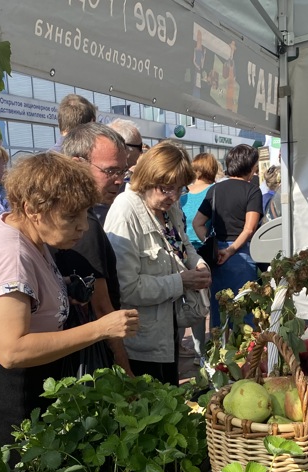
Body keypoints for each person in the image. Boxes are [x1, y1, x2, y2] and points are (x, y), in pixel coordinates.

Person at [0, 152, 139, 463]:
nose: (82, 228)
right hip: (0, 393)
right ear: (32, 209)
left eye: (84, 215)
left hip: (16, 383)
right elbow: (11, 350)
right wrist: (100, 328)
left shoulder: (24, 233)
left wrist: (62, 289)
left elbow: (26, 298)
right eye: (70, 217)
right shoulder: (11, 255)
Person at [104, 142, 212, 384]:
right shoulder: (126, 212)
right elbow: (127, 288)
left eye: (179, 189)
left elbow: (184, 245)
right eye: (166, 189)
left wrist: (199, 264)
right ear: (148, 179)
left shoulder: (169, 209)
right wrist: (181, 281)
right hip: (141, 343)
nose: (173, 197)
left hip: (168, 333)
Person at [54, 123, 134, 376]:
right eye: (110, 171)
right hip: (85, 362)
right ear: (78, 164)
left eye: (123, 171)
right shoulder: (83, 224)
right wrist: (127, 374)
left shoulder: (63, 214)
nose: (120, 180)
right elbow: (102, 308)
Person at [193, 144, 262, 327]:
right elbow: (249, 229)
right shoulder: (252, 191)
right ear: (251, 166)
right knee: (244, 312)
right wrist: (231, 250)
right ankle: (245, 354)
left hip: (218, 256)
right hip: (241, 254)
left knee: (219, 312)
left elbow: (197, 223)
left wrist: (211, 245)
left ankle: (218, 353)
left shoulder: (215, 190)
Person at [180, 152, 220, 364]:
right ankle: (208, 351)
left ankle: (195, 349)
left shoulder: (182, 196)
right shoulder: (213, 191)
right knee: (209, 303)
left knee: (191, 304)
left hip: (184, 252)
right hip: (206, 251)